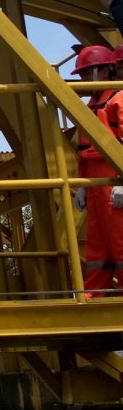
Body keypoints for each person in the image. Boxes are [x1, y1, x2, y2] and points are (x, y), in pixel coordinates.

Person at [71, 45, 123, 296]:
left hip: (113, 181)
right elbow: (84, 149)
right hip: (95, 184)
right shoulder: (92, 105)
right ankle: (93, 296)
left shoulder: (119, 99)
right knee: (98, 248)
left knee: (121, 241)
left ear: (105, 71)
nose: (83, 80)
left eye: (85, 73)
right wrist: (83, 184)